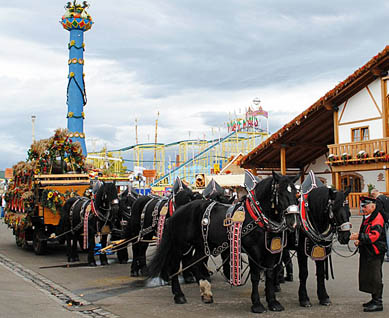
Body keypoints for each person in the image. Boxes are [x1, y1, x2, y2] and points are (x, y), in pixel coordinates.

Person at [350, 196, 386, 312]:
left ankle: (378, 302)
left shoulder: (377, 218)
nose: (363, 209)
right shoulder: (369, 216)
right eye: (362, 207)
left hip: (375, 251)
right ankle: (374, 299)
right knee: (369, 275)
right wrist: (360, 241)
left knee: (375, 276)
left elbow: (374, 236)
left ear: (372, 206)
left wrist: (359, 237)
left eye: (364, 207)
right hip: (368, 251)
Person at [371, 189, 389, 262]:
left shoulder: (378, 200)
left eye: (373, 195)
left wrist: (385, 219)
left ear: (374, 193)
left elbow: (380, 210)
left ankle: (388, 255)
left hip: (385, 219)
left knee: (387, 237)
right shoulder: (386, 197)